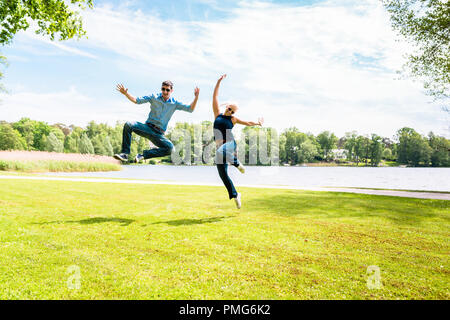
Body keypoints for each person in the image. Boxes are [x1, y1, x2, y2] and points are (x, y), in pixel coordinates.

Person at [114, 80, 199, 163]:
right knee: (129, 125)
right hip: (147, 128)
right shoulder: (154, 97)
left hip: (159, 135)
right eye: (163, 89)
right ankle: (125, 154)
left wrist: (196, 97)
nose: (165, 92)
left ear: (171, 90)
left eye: (167, 90)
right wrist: (126, 94)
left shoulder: (175, 103)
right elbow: (136, 100)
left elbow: (190, 109)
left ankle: (143, 156)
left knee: (171, 149)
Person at [212, 74, 263, 209]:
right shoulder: (217, 114)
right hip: (220, 149)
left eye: (233, 111)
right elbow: (215, 97)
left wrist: (257, 123)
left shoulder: (233, 119)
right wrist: (218, 82)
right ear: (227, 107)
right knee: (223, 176)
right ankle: (235, 194)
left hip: (230, 144)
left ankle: (237, 163)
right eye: (229, 109)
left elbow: (247, 122)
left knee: (221, 150)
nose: (230, 112)